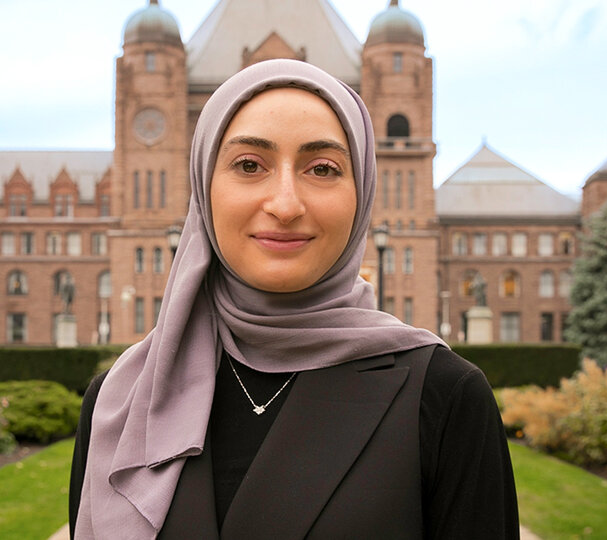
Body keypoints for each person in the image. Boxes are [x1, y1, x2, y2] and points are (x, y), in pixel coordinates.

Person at [69, 59, 518, 539]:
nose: (285, 205)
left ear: (362, 190)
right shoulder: (119, 402)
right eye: (248, 165)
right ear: (203, 187)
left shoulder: (446, 397)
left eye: (322, 168)